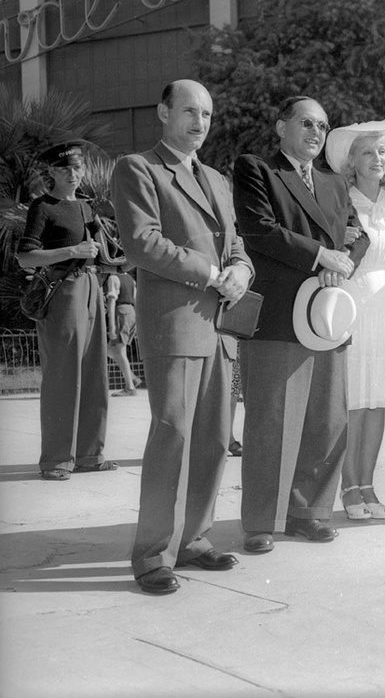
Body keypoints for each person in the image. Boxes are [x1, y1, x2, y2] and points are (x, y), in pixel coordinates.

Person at [112, 80, 253, 594]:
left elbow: (237, 244)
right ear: (162, 112)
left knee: (214, 438)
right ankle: (153, 555)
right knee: (173, 435)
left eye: (207, 114)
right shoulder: (139, 168)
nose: (200, 122)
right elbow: (142, 241)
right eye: (190, 111)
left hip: (221, 328)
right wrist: (213, 273)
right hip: (175, 324)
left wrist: (241, 272)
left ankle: (194, 538)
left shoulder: (216, 178)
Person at [233, 95, 370, 551]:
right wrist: (321, 255)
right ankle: (261, 521)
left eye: (323, 127)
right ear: (281, 127)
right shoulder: (257, 169)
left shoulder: (334, 182)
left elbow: (360, 236)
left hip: (327, 313)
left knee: (325, 420)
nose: (316, 133)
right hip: (277, 315)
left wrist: (341, 262)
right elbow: (259, 229)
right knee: (271, 422)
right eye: (307, 123)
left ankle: (309, 512)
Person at [324, 119, 385, 521]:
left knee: (377, 400)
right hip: (352, 300)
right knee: (353, 400)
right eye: (366, 152)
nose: (376, 158)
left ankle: (368, 485)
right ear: (352, 162)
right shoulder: (339, 198)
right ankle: (348, 487)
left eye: (381, 151)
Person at [18, 140, 115, 481]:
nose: (73, 174)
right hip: (62, 291)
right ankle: (57, 460)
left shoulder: (87, 207)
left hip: (91, 287)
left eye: (77, 168)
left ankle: (90, 455)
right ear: (52, 172)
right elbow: (25, 257)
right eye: (65, 169)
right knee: (62, 375)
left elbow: (102, 252)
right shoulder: (43, 207)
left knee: (95, 373)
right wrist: (73, 250)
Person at [105, 268, 142, 396]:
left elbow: (112, 301)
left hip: (121, 312)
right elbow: (136, 300)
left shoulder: (113, 278)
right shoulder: (131, 280)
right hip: (131, 312)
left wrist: (111, 326)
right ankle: (132, 378)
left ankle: (130, 387)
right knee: (111, 350)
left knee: (119, 350)